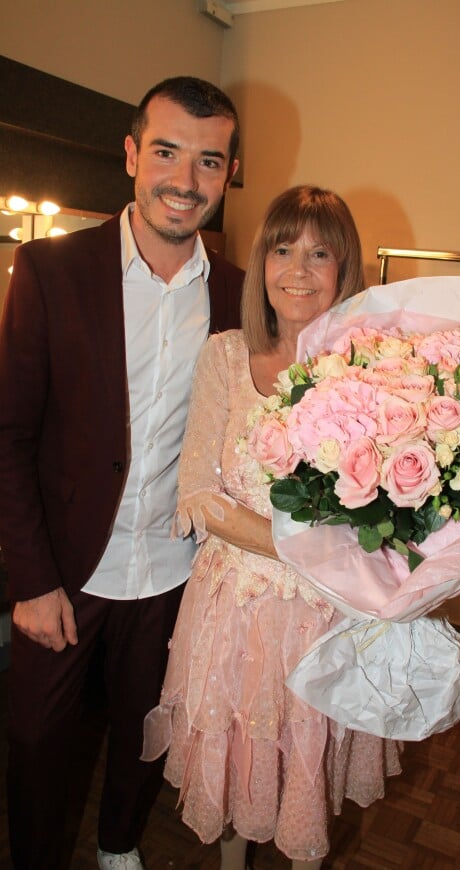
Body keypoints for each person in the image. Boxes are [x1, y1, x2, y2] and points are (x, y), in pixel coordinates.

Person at [0, 76, 244, 870]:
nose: (185, 180)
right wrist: (30, 580)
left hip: (177, 570)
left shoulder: (241, 295)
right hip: (66, 572)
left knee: (149, 727)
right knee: (38, 740)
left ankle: (118, 846)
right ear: (133, 153)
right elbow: (9, 433)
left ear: (229, 171)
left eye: (209, 161)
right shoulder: (47, 269)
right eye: (168, 152)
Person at [142, 186, 403, 869]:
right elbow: (198, 489)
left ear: (345, 270)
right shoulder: (225, 358)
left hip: (329, 618)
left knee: (306, 770)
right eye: (283, 249)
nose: (298, 269)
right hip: (234, 609)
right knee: (237, 768)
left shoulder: (376, 371)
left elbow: (393, 510)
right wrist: (303, 549)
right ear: (261, 262)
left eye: (321, 254)